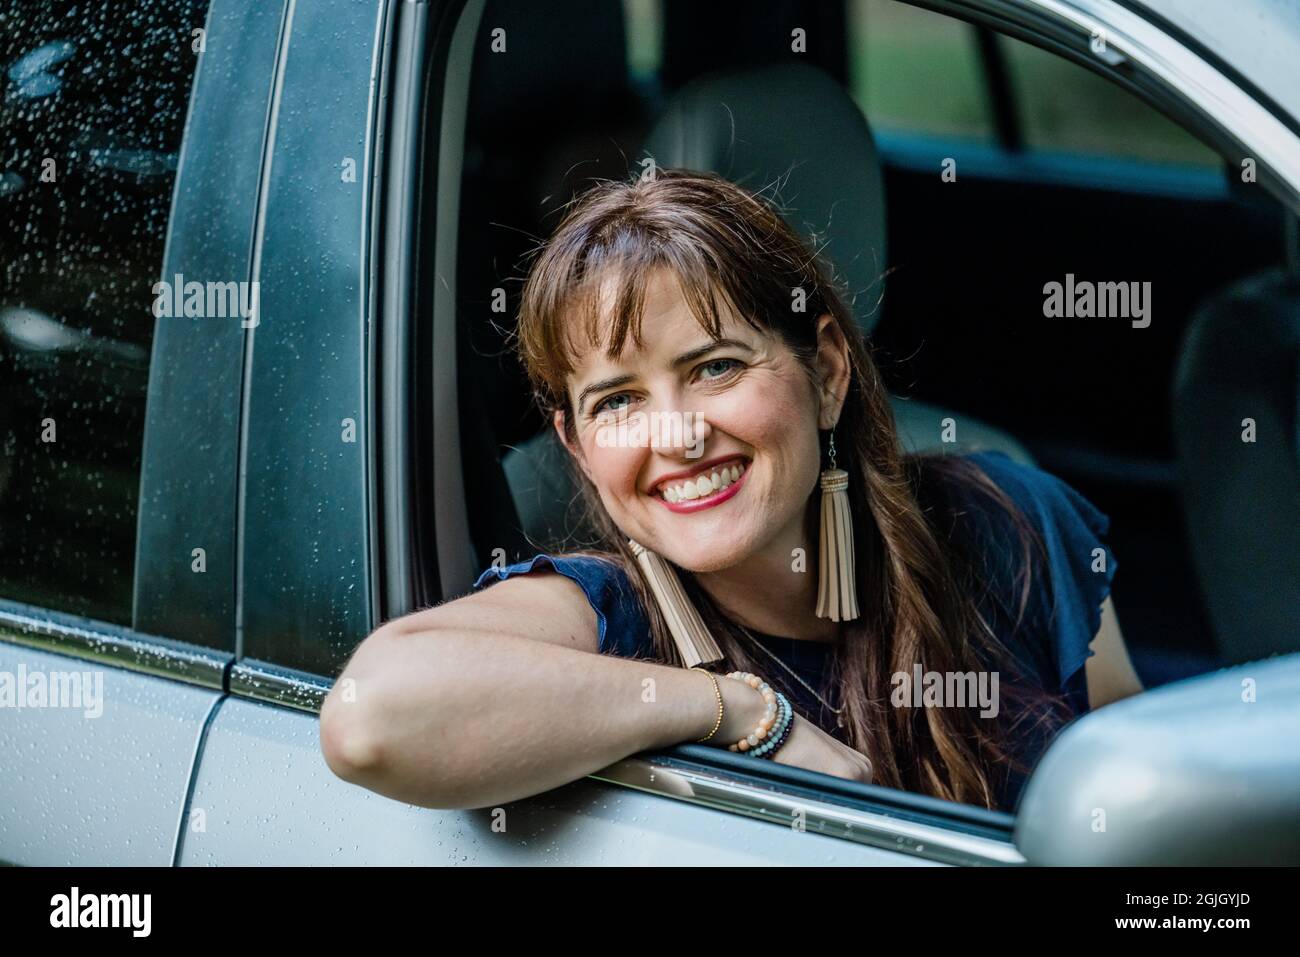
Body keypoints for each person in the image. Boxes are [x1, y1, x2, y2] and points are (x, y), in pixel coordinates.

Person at [320, 168, 1144, 813]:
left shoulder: (1006, 521)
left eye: (715, 367)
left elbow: (1150, 811)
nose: (677, 434)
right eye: (618, 401)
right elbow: (368, 713)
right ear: (575, 444)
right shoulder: (609, 617)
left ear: (825, 370)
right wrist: (738, 713)